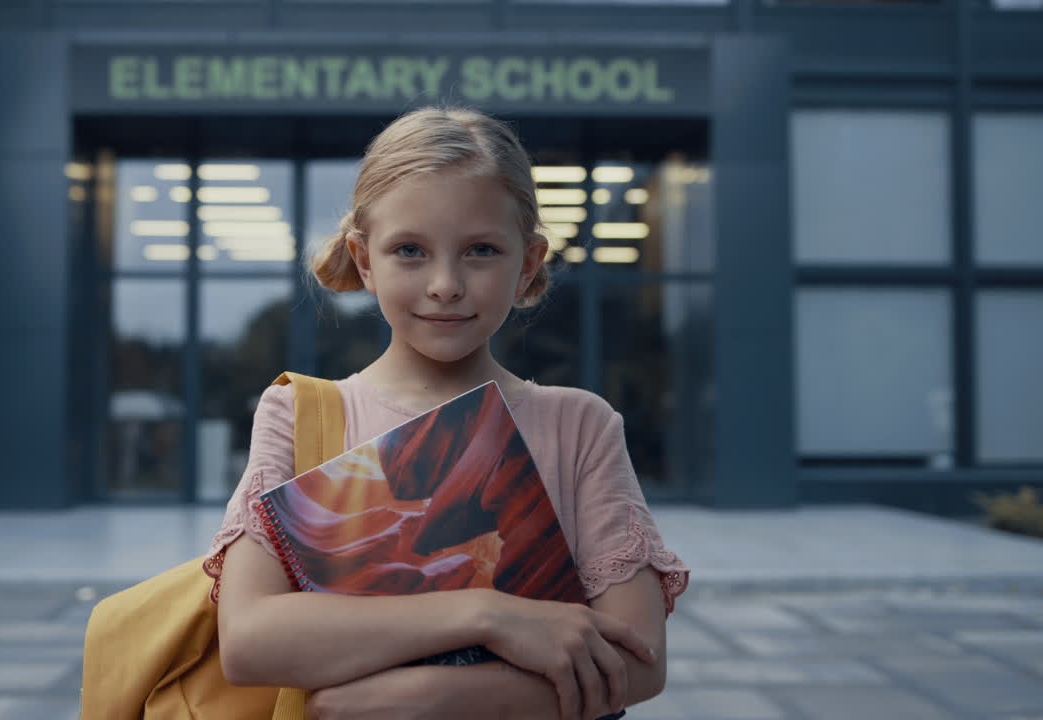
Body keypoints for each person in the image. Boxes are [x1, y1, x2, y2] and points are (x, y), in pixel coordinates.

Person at [203, 106, 690, 720]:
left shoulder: (580, 427)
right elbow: (247, 641)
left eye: (481, 250)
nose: (444, 284)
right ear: (363, 260)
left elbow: (640, 661)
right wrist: (487, 615)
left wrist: (431, 696)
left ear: (529, 263)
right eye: (409, 249)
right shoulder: (299, 414)